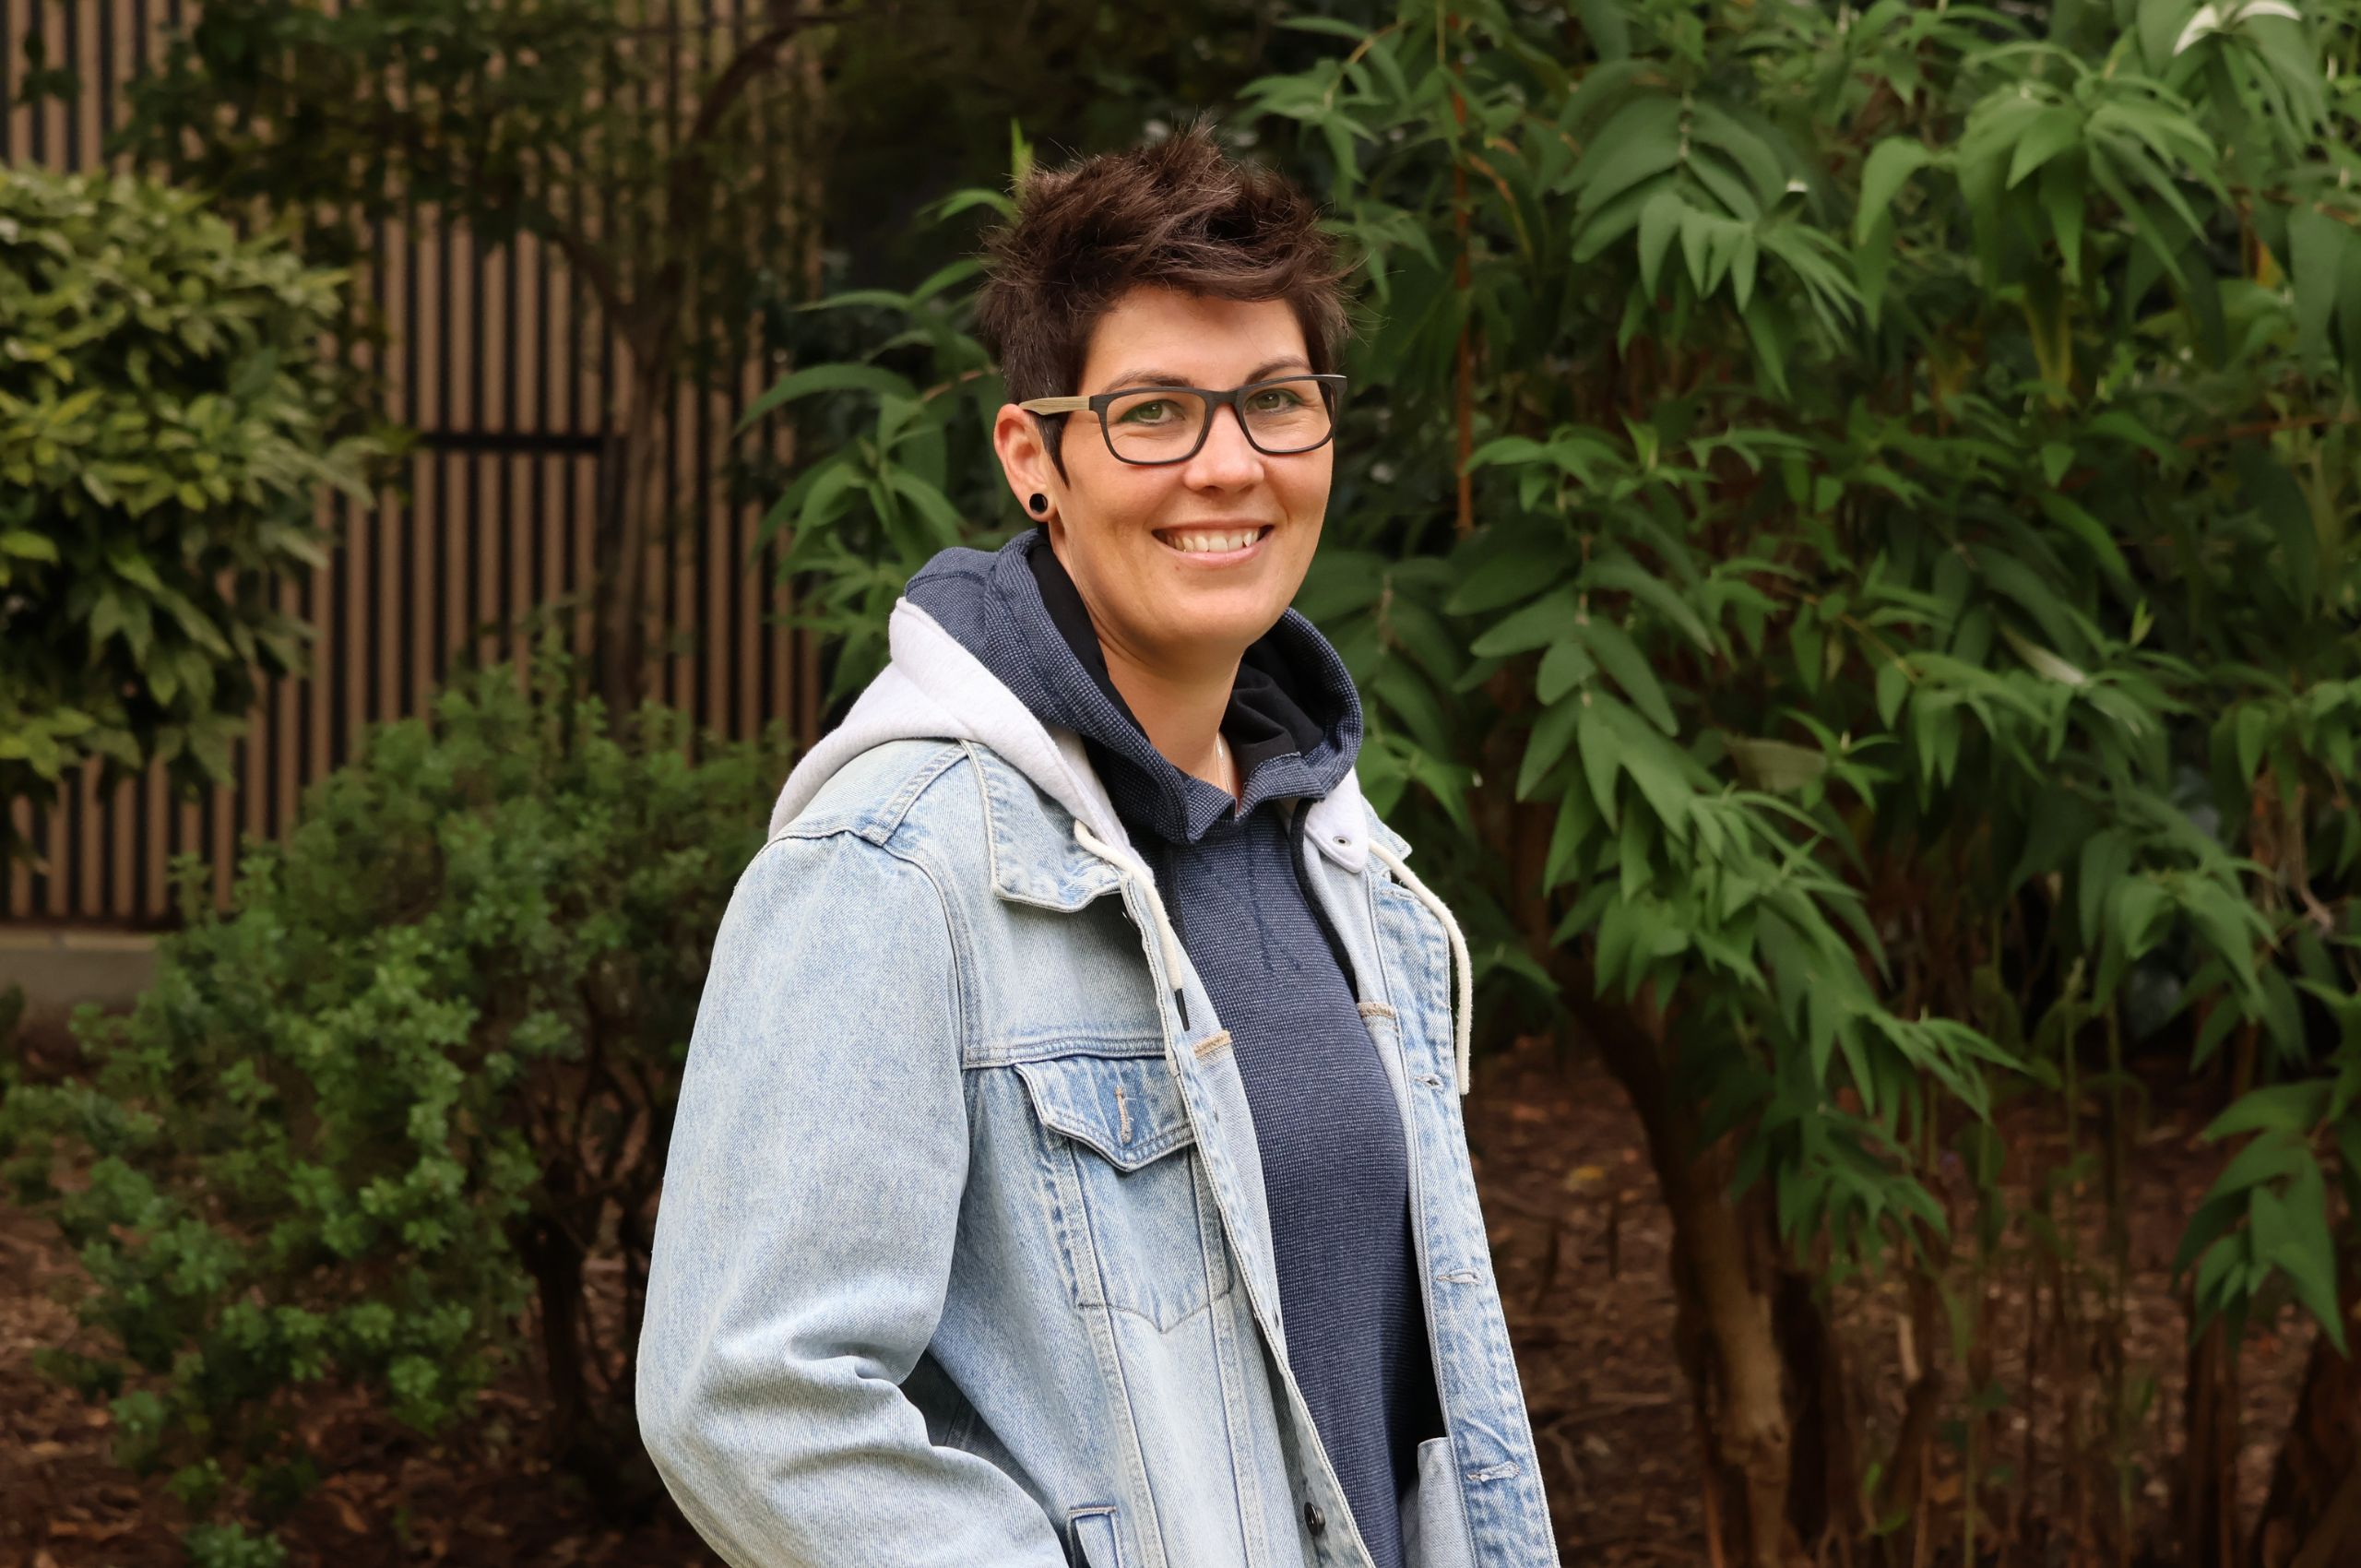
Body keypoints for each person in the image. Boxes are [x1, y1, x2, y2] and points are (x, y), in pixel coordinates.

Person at [636, 116, 1559, 1568]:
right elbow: (749, 1398)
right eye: (1152, 413)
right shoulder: (894, 868)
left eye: (1274, 401)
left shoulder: (1350, 870)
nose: (1226, 465)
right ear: (1034, 456)